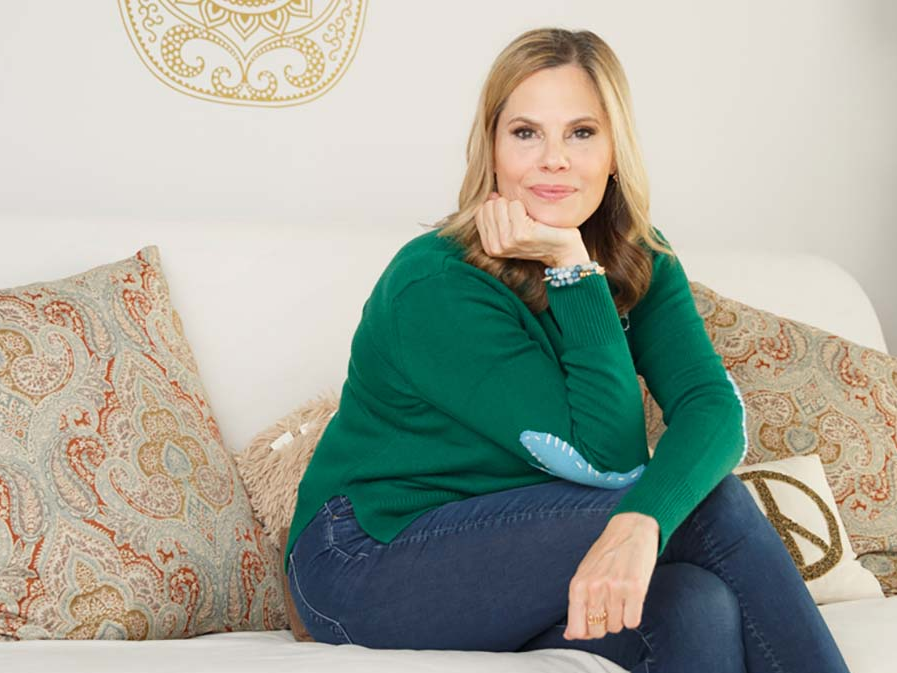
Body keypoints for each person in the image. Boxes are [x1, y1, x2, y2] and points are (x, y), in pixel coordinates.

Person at [282, 27, 851, 672]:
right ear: (493, 150)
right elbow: (607, 463)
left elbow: (714, 410)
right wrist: (571, 267)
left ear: (614, 152)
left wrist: (641, 522)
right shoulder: (437, 283)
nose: (554, 159)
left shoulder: (638, 253)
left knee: (695, 604)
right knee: (710, 507)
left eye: (581, 133)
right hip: (365, 558)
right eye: (526, 133)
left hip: (522, 547)